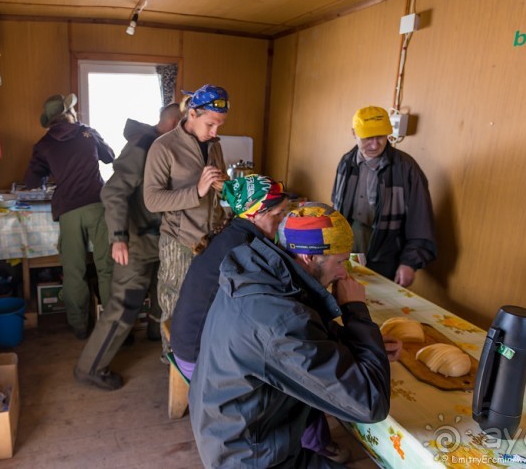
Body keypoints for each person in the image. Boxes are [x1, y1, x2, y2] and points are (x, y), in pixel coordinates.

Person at [189, 203, 392, 468]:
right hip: (253, 458)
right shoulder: (280, 321)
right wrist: (355, 311)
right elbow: (370, 403)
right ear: (310, 257)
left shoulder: (259, 273)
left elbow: (308, 331)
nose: (344, 273)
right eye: (341, 262)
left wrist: (367, 344)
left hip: (231, 433)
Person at [73, 103, 182, 390]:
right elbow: (114, 191)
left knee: (164, 292)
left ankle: (156, 336)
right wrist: (118, 237)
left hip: (160, 239)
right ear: (175, 123)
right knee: (124, 305)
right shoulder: (143, 146)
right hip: (136, 241)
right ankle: (91, 368)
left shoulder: (163, 145)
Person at [170, 174, 289, 380]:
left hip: (186, 341)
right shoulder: (243, 249)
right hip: (197, 356)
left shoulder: (235, 233)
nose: (281, 222)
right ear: (255, 214)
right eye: (278, 214)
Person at [143, 84, 229, 355]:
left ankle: (196, 367)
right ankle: (172, 368)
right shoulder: (163, 147)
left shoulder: (213, 145)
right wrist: (197, 191)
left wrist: (224, 187)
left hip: (211, 240)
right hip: (179, 243)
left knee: (206, 305)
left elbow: (218, 188)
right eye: (210, 124)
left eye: (219, 126)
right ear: (193, 114)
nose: (215, 132)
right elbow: (152, 200)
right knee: (175, 307)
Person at [24, 93, 115, 339]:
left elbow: (32, 180)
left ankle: (79, 327)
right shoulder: (87, 132)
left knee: (74, 271)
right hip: (98, 205)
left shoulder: (43, 145)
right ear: (70, 112)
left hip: (68, 210)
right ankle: (115, 329)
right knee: (106, 268)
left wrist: (51, 172)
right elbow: (110, 156)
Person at [331, 105, 437, 287]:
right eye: (368, 138)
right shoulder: (346, 162)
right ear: (354, 133)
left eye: (380, 137)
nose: (374, 145)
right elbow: (336, 207)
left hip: (385, 252)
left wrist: (409, 263)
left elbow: (421, 221)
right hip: (348, 248)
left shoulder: (406, 169)